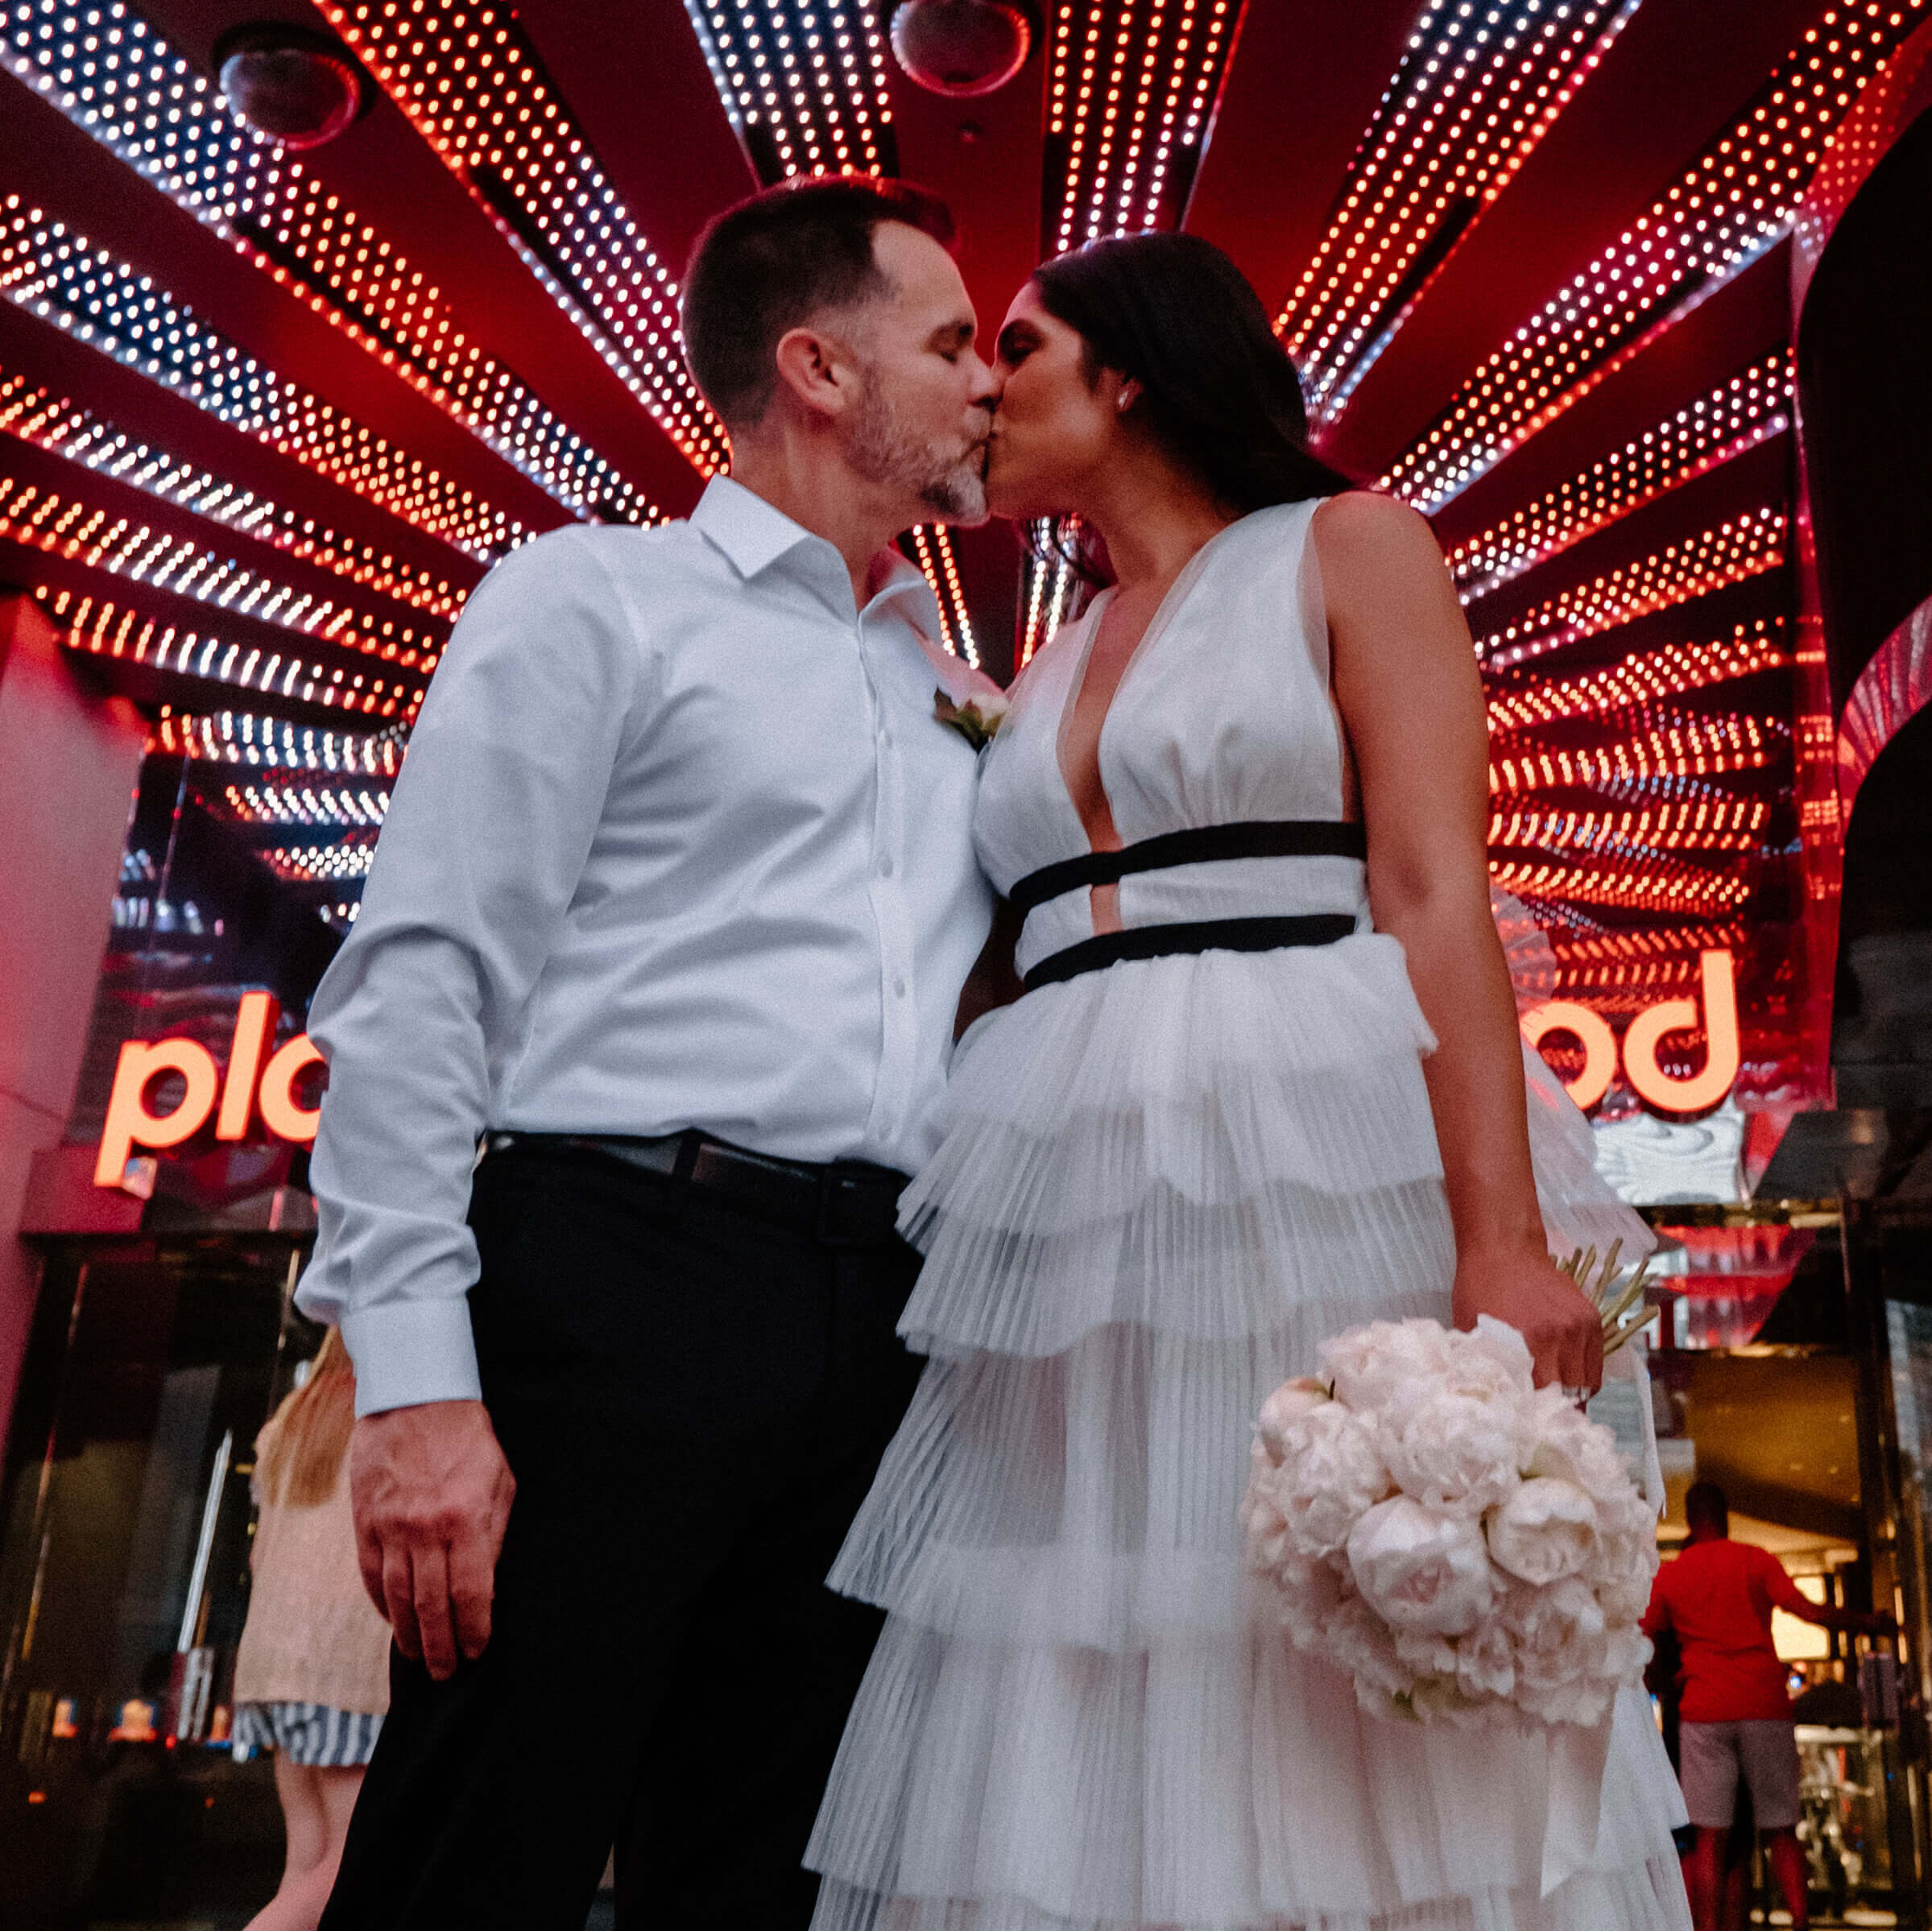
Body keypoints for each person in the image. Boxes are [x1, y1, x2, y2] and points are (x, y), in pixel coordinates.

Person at [803, 232, 1692, 1931]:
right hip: (1067, 1184)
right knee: (1084, 1604)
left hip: (1306, 1120)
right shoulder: (1044, 661)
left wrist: (1499, 1240)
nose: (985, 384)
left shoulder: (1345, 548)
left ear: (1126, 372)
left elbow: (1432, 889)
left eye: (1021, 343)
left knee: (1326, 1569)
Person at [294, 175, 1001, 1929]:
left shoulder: (959, 690)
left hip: (884, 1322)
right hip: (617, 1276)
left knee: (772, 1880)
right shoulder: (589, 600)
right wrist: (414, 1381)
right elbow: (417, 982)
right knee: (480, 1858)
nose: (985, 381)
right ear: (817, 370)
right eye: (949, 341)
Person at [1643, 1480, 1891, 1931]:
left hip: (1704, 1710)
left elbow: (1644, 1635)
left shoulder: (1672, 1575)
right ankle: (1800, 1922)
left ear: (1689, 1517)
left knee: (1709, 1838)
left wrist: (1666, 1677)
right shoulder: (1755, 1560)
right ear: (1726, 1515)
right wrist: (1868, 1622)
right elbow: (1811, 1613)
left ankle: (1711, 1927)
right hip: (1763, 1704)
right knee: (1782, 1829)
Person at [232, 1329, 391, 1931]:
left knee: (304, 1871)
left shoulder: (289, 1423)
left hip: (272, 1671)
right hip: (348, 1673)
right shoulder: (390, 1417)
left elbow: (257, 1559)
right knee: (347, 1873)